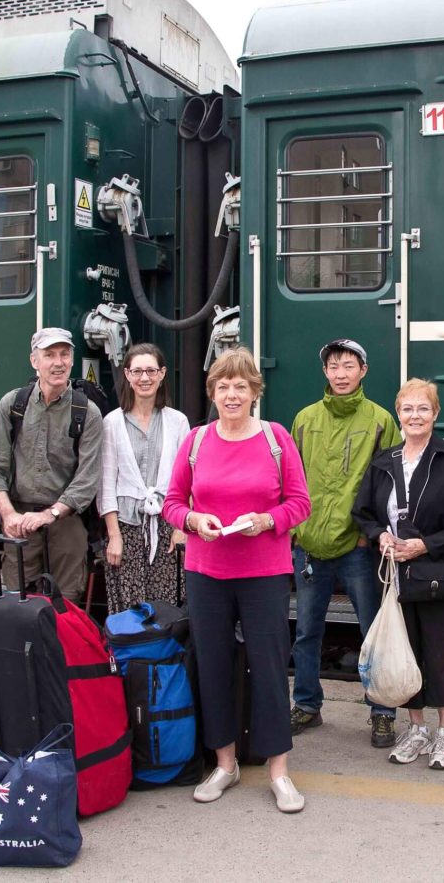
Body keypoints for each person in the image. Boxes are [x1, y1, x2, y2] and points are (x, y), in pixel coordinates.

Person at [162, 348, 312, 813]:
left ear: (254, 393)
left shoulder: (276, 438)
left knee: (269, 668)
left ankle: (279, 771)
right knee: (213, 665)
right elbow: (172, 502)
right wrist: (192, 521)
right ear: (213, 393)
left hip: (264, 573)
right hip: (206, 572)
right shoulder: (197, 441)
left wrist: (266, 521)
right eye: (223, 386)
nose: (232, 394)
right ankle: (224, 764)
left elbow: (300, 503)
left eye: (240, 386)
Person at [353, 379, 444, 770]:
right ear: (398, 414)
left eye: (422, 409)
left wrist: (425, 545)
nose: (415, 416)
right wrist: (379, 536)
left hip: (443, 573)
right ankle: (417, 730)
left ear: (435, 414)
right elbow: (363, 513)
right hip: (399, 576)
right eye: (408, 409)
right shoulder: (383, 463)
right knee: (405, 652)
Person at [289, 338, 403, 747]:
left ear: (363, 371)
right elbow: (291, 478)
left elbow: (388, 485)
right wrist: (295, 531)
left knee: (374, 631)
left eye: (348, 366)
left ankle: (382, 712)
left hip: (357, 546)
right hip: (309, 544)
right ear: (325, 372)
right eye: (334, 366)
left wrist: (367, 534)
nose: (340, 373)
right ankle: (306, 704)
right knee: (306, 631)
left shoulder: (379, 420)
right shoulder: (304, 419)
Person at [0, 327, 102, 601]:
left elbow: (87, 479)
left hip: (65, 518)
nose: (58, 362)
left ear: (72, 360)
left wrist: (51, 514)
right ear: (34, 361)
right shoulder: (13, 404)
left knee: (65, 604)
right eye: (49, 355)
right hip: (19, 517)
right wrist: (8, 515)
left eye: (64, 354)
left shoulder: (87, 412)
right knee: (15, 601)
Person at [98, 343, 190, 614]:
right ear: (127, 375)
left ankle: (163, 657)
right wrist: (114, 536)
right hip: (127, 527)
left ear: (162, 374)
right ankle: (133, 657)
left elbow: (188, 480)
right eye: (137, 371)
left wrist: (181, 527)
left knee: (167, 607)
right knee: (130, 608)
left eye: (151, 370)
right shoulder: (112, 423)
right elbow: (106, 485)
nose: (144, 378)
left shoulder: (178, 422)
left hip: (167, 526)